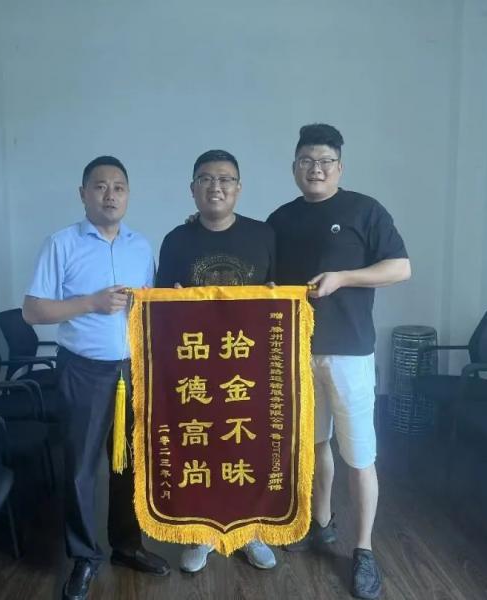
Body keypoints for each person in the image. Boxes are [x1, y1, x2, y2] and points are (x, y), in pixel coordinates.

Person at [267, 124, 411, 600]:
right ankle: (321, 522)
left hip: (350, 352)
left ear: (339, 168)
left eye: (325, 161)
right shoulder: (280, 219)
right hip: (296, 351)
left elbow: (400, 267)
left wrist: (344, 277)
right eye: (307, 161)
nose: (316, 169)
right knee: (315, 444)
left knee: (360, 455)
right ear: (294, 167)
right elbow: (259, 274)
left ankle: (364, 549)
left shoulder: (364, 210)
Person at [23, 156, 170, 600]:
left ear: (128, 195)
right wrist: (90, 302)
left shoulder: (140, 246)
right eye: (101, 186)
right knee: (82, 468)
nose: (110, 195)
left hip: (133, 369)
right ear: (83, 193)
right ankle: (85, 556)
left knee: (129, 463)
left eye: (119, 187)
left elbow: (148, 305)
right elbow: (33, 311)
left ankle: (127, 545)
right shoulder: (61, 244)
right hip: (83, 370)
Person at [156, 149, 278, 573]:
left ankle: (250, 531)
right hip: (196, 368)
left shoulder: (264, 235)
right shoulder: (176, 240)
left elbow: (282, 297)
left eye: (225, 179)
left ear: (239, 189)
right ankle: (201, 534)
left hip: (249, 365)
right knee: (200, 448)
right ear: (192, 189)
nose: (216, 187)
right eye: (206, 179)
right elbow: (161, 306)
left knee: (248, 447)